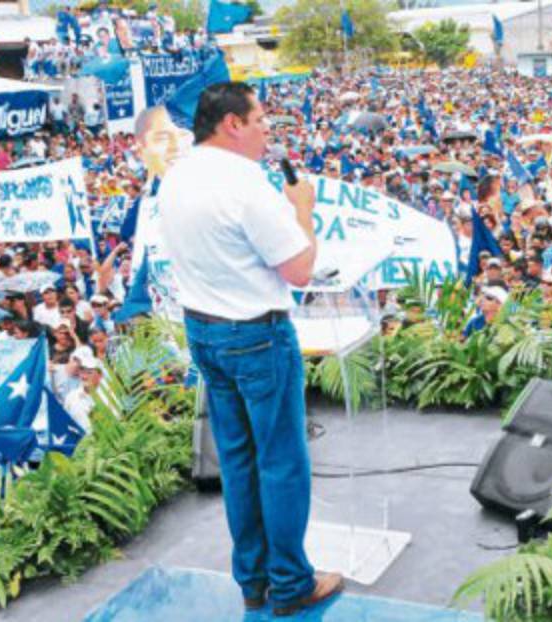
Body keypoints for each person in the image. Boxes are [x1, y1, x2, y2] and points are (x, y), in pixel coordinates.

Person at [157, 81, 341, 614]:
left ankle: (253, 580)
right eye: (260, 120)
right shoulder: (248, 184)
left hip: (205, 332)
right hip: (257, 335)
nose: (267, 131)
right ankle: (290, 584)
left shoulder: (175, 176)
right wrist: (301, 208)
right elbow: (300, 269)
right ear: (232, 124)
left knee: (238, 462)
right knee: (281, 461)